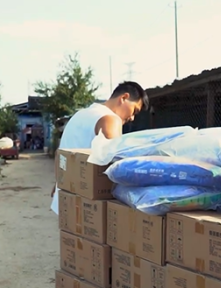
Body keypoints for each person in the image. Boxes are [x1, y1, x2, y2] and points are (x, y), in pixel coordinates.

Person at [50, 81, 149, 214]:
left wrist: (58, 182)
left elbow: (61, 153)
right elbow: (116, 165)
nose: (132, 118)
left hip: (65, 200)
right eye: (134, 111)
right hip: (87, 207)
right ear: (124, 98)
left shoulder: (79, 115)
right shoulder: (110, 119)